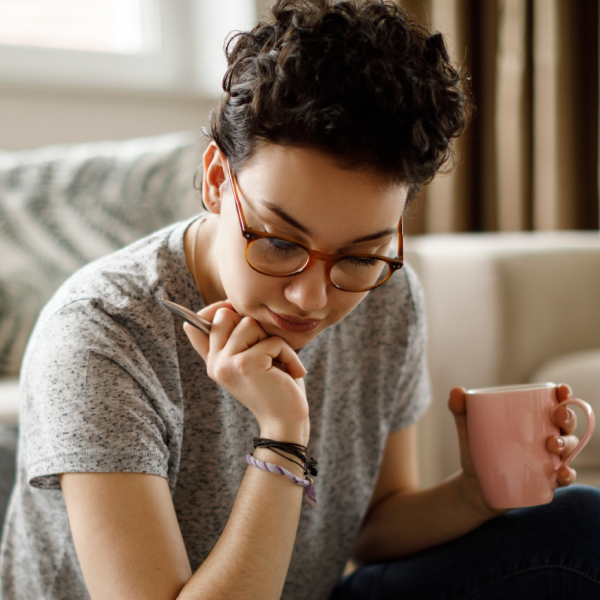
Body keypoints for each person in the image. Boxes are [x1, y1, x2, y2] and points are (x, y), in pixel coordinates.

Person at [1, 1, 599, 599]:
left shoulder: (389, 296)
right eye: (281, 242)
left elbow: (374, 525)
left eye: (360, 255)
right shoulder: (101, 333)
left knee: (578, 524)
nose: (311, 298)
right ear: (216, 180)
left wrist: (474, 492)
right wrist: (283, 436)